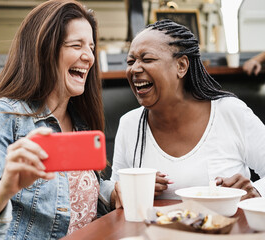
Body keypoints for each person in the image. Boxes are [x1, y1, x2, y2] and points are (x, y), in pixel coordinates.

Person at [0, 1, 119, 239]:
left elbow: (75, 187)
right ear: (43, 50)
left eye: (91, 47)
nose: (89, 57)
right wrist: (3, 189)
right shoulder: (4, 116)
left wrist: (111, 191)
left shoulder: (79, 119)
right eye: (76, 45)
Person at [110, 19, 265, 200]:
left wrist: (256, 191)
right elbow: (116, 190)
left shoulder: (230, 112)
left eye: (147, 59)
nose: (134, 69)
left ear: (181, 66)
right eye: (130, 61)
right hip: (152, 229)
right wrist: (131, 189)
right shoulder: (130, 124)